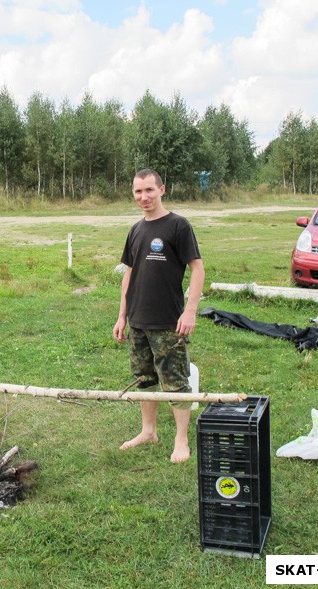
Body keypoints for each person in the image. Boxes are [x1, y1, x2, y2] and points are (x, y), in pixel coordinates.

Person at [112, 168, 205, 463]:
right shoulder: (136, 230)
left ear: (162, 189)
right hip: (138, 319)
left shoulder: (178, 226)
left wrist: (190, 311)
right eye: (138, 192)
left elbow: (198, 269)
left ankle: (181, 440)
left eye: (149, 190)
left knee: (176, 381)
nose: (144, 197)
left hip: (168, 321)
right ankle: (148, 431)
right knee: (144, 379)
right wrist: (122, 316)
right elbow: (129, 274)